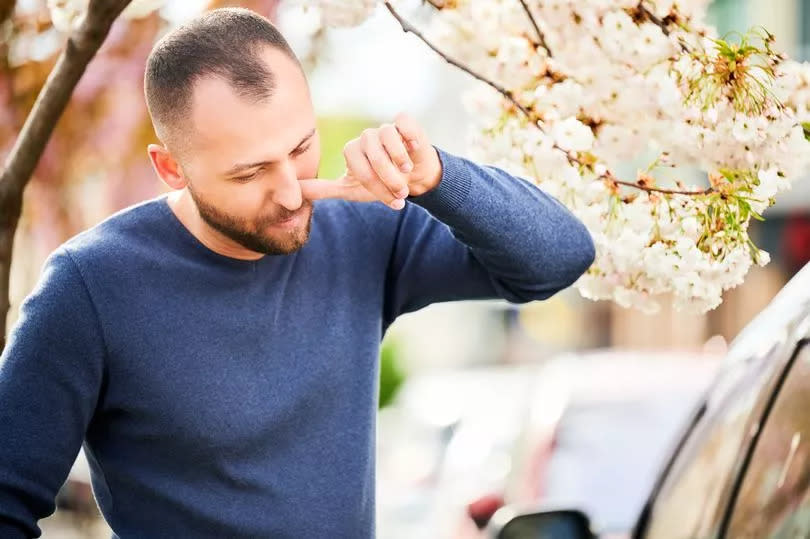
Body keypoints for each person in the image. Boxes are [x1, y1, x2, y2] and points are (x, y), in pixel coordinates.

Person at [0, 7, 595, 539]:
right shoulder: (90, 286)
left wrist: (437, 177)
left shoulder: (364, 230)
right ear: (170, 168)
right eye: (249, 173)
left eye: (301, 146)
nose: (290, 193)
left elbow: (556, 260)